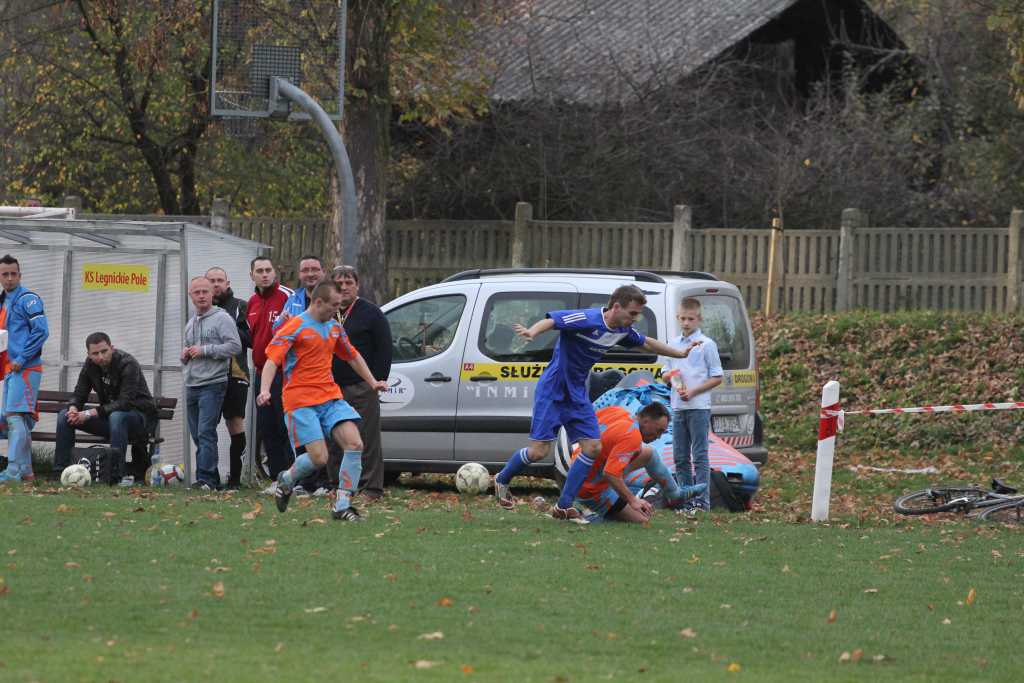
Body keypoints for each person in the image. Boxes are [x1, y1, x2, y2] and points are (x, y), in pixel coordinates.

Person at [493, 284, 700, 521]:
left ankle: (563, 506)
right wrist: (533, 332)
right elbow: (553, 320)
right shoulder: (587, 319)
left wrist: (679, 354)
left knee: (593, 447)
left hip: (577, 393)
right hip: (553, 390)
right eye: (632, 313)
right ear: (616, 307)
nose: (635, 319)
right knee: (538, 452)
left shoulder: (622, 330)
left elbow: (647, 343)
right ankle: (502, 479)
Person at [258, 279, 388, 522]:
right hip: (300, 400)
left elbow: (352, 356)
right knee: (320, 458)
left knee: (355, 444)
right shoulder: (294, 326)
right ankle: (287, 479)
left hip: (330, 397)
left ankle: (342, 505)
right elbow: (272, 361)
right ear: (318, 302)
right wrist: (265, 390)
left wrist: (373, 382)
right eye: (334, 305)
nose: (338, 309)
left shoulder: (334, 327)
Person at [569, 403, 705, 522]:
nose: (658, 437)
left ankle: (675, 494)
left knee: (648, 453)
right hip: (591, 489)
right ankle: (585, 514)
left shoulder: (617, 411)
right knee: (642, 520)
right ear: (646, 421)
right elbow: (610, 474)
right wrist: (633, 500)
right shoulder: (632, 435)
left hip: (574, 470)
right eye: (659, 431)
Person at [54, 333, 158, 481]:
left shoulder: (128, 363)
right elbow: (79, 393)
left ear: (112, 348)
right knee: (64, 416)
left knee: (117, 416)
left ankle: (115, 474)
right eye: (95, 354)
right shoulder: (90, 365)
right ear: (89, 355)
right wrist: (73, 408)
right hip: (111, 419)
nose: (101, 357)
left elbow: (124, 403)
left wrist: (89, 413)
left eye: (104, 351)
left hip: (139, 420)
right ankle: (63, 471)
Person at [329, 265, 392, 500]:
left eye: (349, 283)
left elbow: (384, 349)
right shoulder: (326, 312)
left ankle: (371, 487)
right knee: (335, 438)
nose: (344, 287)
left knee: (366, 438)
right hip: (331, 387)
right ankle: (338, 485)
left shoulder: (371, 313)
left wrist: (374, 382)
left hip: (361, 387)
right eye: (339, 283)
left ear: (357, 285)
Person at [664, 297, 723, 513]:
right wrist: (671, 378)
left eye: (690, 319)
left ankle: (702, 502)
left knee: (699, 456)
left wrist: (694, 391)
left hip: (698, 407)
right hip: (678, 407)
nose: (686, 323)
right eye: (682, 318)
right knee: (680, 457)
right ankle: (686, 500)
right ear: (677, 318)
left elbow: (717, 377)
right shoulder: (672, 344)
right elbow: (665, 372)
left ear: (699, 319)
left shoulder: (707, 344)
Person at [183, 276, 242, 490]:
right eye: (196, 292)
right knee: (198, 435)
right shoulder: (191, 322)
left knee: (206, 432)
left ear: (212, 294)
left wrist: (205, 350)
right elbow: (190, 349)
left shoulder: (222, 318)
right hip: (191, 384)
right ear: (190, 295)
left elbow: (235, 346)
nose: (201, 296)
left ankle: (206, 479)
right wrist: (185, 355)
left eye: (205, 291)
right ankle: (210, 479)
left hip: (213, 383)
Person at [0, 254, 48, 482]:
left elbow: (41, 330)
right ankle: (27, 472)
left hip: (25, 368)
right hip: (10, 369)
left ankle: (13, 471)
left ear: (20, 275)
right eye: (5, 274)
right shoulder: (3, 301)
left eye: (13, 274)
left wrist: (22, 357)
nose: (9, 278)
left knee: (14, 417)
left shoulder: (28, 299)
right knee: (17, 420)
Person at [246, 256, 294, 480]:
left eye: (268, 270)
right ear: (252, 275)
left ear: (275, 272)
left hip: (284, 373)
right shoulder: (252, 303)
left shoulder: (288, 297)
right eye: (259, 271)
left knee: (287, 427)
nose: (264, 275)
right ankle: (277, 479)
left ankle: (295, 477)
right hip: (260, 373)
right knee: (267, 428)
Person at [206, 266, 252, 489]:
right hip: (208, 376)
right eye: (211, 281)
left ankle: (235, 480)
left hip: (236, 374)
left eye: (219, 280)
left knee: (235, 424)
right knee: (207, 427)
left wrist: (226, 325)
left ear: (227, 283)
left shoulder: (240, 306)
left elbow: (250, 339)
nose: (216, 284)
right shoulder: (201, 308)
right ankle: (209, 478)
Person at [274, 255, 325, 328]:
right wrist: (282, 321)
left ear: (324, 272)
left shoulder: (333, 298)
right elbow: (276, 330)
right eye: (305, 270)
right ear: (299, 274)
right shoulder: (293, 299)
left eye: (314, 269)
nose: (310, 274)